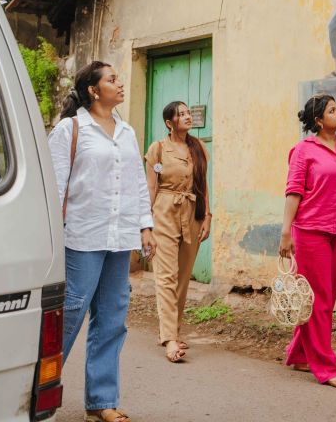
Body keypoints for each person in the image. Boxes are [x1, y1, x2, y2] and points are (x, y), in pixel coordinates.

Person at [49, 61, 157, 422]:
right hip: (82, 235)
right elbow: (55, 187)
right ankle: (34, 391)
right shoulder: (71, 129)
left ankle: (100, 402)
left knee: (112, 318)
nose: (119, 83)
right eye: (112, 79)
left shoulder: (126, 132)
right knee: (70, 315)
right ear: (94, 90)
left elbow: (138, 184)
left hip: (120, 236)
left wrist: (145, 226)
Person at [279, 94, 336, 389]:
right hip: (309, 231)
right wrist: (285, 233)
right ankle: (325, 367)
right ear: (319, 120)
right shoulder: (303, 150)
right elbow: (294, 190)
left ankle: (298, 352)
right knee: (318, 299)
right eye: (332, 110)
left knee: (326, 299)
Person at [145, 101, 212, 362]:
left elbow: (203, 184)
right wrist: (146, 224)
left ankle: (174, 329)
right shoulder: (158, 149)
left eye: (187, 113)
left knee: (183, 276)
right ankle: (170, 338)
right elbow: (151, 187)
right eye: (180, 114)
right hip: (163, 212)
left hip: (192, 213)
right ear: (169, 122)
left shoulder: (199, 147)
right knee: (166, 276)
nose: (186, 117)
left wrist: (207, 216)